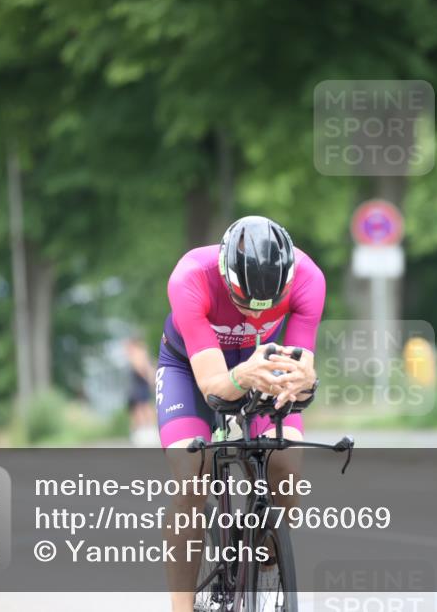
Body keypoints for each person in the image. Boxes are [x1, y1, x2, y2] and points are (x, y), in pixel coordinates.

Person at [156, 216, 324, 612]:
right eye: (243, 302)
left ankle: (264, 556)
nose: (255, 316)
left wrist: (304, 381)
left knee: (286, 464)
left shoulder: (309, 279)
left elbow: (299, 377)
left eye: (266, 308)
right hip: (190, 368)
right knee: (192, 473)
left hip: (261, 363)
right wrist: (243, 375)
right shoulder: (190, 277)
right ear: (225, 274)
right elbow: (214, 387)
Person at [124, 335, 158, 447]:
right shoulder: (137, 353)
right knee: (140, 410)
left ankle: (145, 434)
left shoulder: (138, 353)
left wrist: (150, 379)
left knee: (143, 409)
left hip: (139, 386)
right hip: (137, 386)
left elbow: (142, 368)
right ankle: (141, 434)